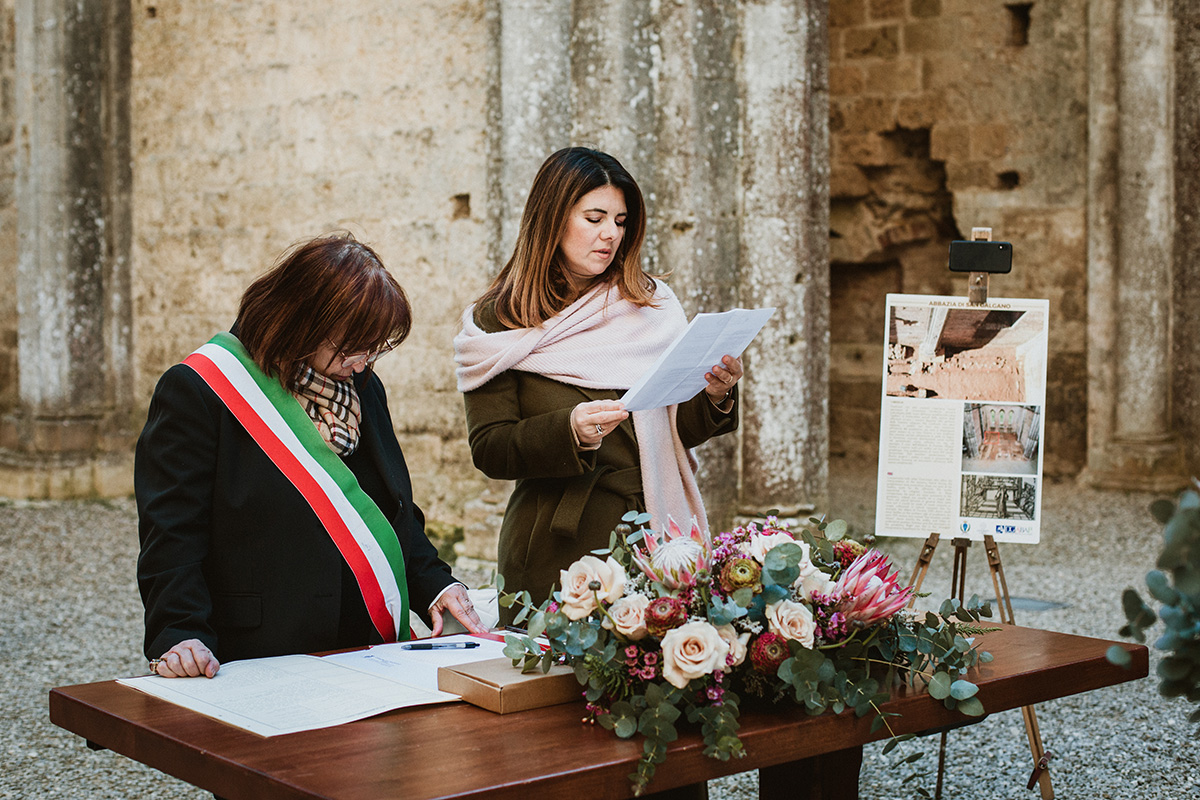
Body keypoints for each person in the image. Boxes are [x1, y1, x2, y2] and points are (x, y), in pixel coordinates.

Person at [136, 233, 485, 679]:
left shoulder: (361, 389)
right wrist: (179, 632)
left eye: (375, 348)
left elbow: (387, 509)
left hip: (367, 643)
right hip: (261, 649)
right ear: (303, 321)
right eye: (354, 346)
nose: (363, 362)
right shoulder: (200, 390)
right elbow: (171, 533)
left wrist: (435, 585)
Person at [454, 147, 742, 611]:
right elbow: (490, 448)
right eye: (594, 217)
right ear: (553, 219)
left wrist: (715, 393)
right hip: (557, 547)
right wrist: (567, 430)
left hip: (653, 534)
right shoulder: (501, 319)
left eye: (621, 221)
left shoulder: (648, 303)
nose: (611, 234)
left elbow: (674, 430)